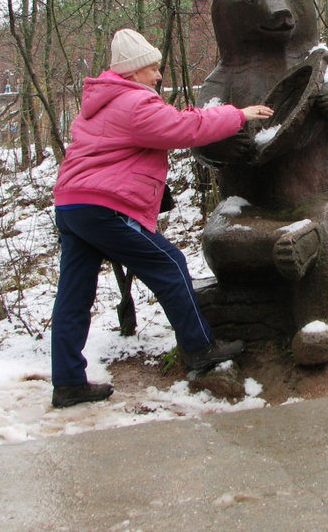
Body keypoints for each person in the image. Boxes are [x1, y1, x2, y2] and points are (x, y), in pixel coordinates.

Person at [50, 28, 273, 408]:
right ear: (134, 71)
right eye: (152, 68)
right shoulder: (133, 102)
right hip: (103, 207)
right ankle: (200, 347)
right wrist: (237, 115)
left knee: (73, 295)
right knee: (169, 263)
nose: (157, 76)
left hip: (71, 206)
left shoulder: (98, 104)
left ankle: (68, 381)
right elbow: (186, 128)